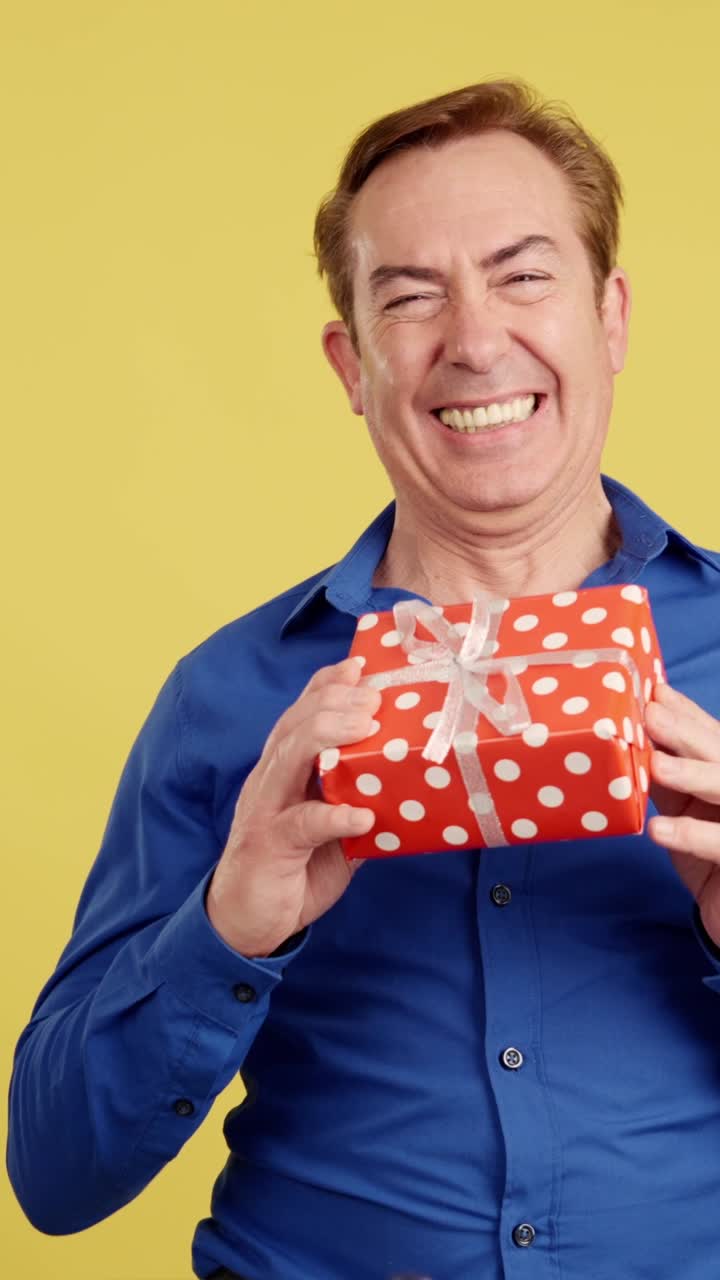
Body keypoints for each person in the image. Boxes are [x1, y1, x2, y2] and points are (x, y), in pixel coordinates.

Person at [8, 79, 720, 1280]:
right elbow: (55, 1172)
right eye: (409, 294)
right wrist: (227, 925)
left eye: (523, 274)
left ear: (611, 317)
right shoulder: (233, 695)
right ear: (351, 361)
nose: (477, 340)